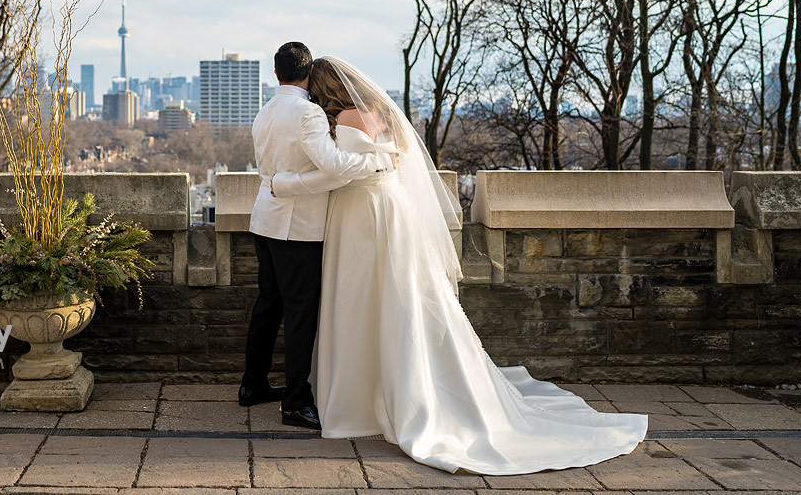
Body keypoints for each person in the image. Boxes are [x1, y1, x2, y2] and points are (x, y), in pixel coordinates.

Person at [270, 56, 647, 474]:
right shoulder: (380, 114)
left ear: (324, 88)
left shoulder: (340, 121)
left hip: (361, 212)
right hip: (389, 208)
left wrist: (284, 184)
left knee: (359, 299)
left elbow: (337, 172)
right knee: (400, 294)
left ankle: (358, 399)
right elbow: (399, 157)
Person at [241, 42, 394, 429]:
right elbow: (336, 167)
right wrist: (377, 161)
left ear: (276, 74)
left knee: (267, 306)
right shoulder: (308, 114)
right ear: (308, 74)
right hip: (298, 229)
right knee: (299, 315)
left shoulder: (263, 112)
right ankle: (295, 402)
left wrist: (283, 183)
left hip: (265, 222)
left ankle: (252, 385)